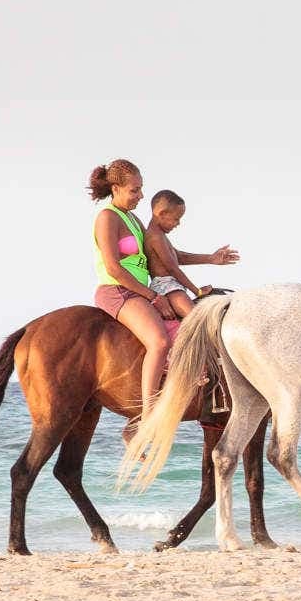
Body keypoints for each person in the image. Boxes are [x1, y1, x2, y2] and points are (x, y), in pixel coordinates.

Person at [90, 159, 171, 422]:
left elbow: (165, 253)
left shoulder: (133, 218)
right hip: (117, 291)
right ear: (116, 188)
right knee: (159, 342)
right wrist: (154, 297)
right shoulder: (107, 218)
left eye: (141, 188)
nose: (141, 195)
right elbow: (114, 268)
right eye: (134, 190)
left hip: (138, 291)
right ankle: (147, 417)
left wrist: (211, 258)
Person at [143, 189, 240, 319]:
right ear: (162, 213)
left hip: (173, 285)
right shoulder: (155, 237)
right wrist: (197, 291)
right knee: (196, 320)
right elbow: (173, 269)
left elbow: (180, 257)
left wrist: (211, 258)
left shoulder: (160, 236)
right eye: (176, 219)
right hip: (166, 286)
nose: (178, 223)